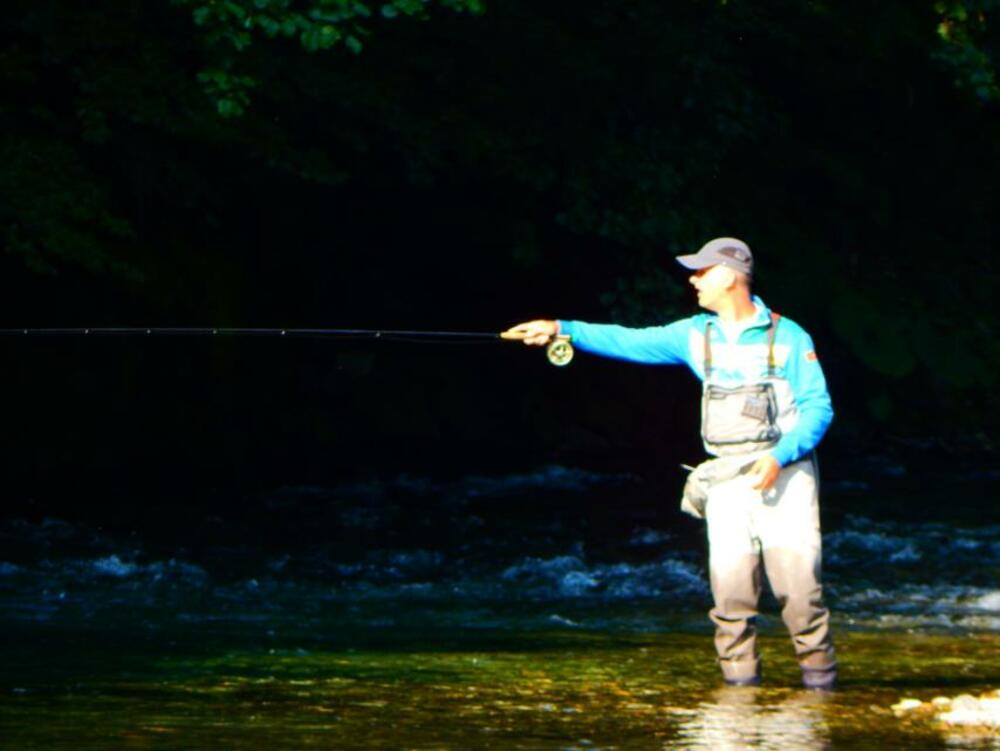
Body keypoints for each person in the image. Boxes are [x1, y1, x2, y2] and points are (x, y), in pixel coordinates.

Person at [502, 237, 837, 690]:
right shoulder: (694, 334)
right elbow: (627, 339)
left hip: (787, 474)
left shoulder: (790, 336)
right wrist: (560, 328)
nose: (692, 279)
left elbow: (818, 408)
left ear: (728, 276)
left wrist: (779, 457)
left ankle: (821, 698)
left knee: (799, 595)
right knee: (731, 597)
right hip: (725, 478)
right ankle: (738, 704)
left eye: (701, 271)